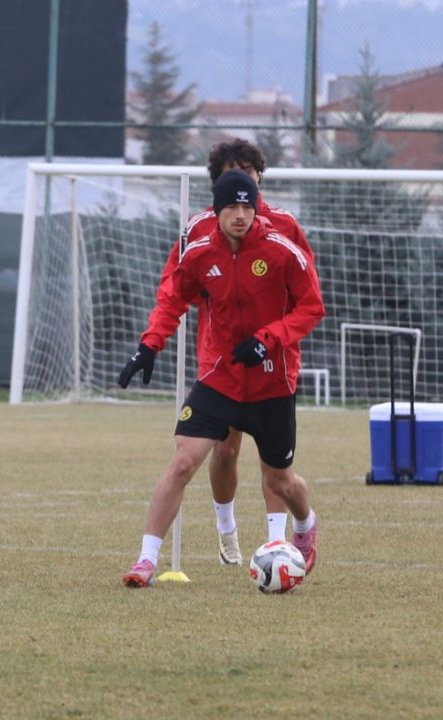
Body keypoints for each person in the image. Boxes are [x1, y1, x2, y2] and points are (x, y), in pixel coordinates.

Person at [117, 170, 323, 588]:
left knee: (280, 480)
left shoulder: (282, 250)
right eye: (232, 206)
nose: (241, 214)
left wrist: (268, 340)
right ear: (217, 210)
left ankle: (305, 523)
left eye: (248, 206)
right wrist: (149, 345)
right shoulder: (198, 253)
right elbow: (172, 300)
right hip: (220, 378)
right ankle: (145, 561)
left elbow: (311, 307)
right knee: (183, 461)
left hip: (271, 384)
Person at [153, 138, 315, 565]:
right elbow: (175, 287)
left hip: (273, 356)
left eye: (248, 172)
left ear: (259, 178)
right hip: (218, 356)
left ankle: (276, 544)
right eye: (231, 174)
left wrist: (272, 337)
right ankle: (227, 531)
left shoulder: (284, 227)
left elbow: (306, 294)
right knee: (224, 450)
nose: (241, 182)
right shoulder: (198, 229)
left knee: (273, 465)